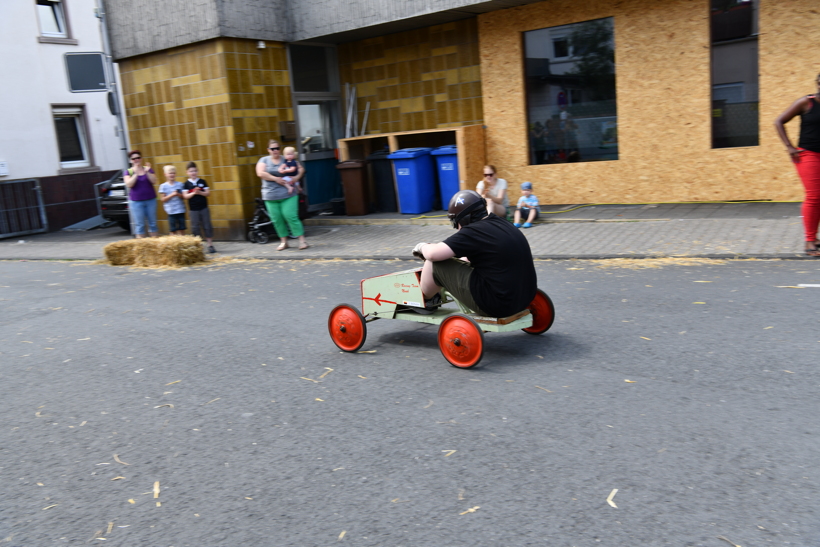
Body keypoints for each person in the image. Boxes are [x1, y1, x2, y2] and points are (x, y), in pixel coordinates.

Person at [411, 190, 537, 318]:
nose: (458, 229)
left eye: (456, 223)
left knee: (434, 264)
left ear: (465, 219)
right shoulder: (502, 223)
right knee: (464, 259)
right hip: (525, 297)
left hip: (497, 305)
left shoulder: (473, 231)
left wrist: (422, 246)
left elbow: (433, 254)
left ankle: (426, 300)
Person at [775, 73, 820, 257]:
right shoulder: (806, 103)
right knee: (814, 196)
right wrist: (789, 147)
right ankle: (809, 242)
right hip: (808, 155)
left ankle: (815, 239)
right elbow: (779, 121)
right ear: (818, 83)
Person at [255, 139, 308, 251]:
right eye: (272, 148)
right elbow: (260, 173)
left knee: (290, 216)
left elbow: (301, 169)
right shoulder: (264, 160)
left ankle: (302, 241)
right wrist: (276, 179)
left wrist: (295, 178)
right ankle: (284, 242)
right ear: (268, 150)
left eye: (277, 148)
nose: (275, 151)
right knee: (276, 219)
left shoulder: (287, 158)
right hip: (270, 195)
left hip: (288, 194)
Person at [123, 150, 158, 238]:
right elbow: (129, 184)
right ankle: (141, 249)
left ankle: (154, 246)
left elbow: (154, 181)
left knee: (153, 223)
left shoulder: (148, 169)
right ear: (131, 160)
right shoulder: (129, 172)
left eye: (138, 158)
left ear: (141, 159)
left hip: (150, 200)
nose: (136, 160)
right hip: (136, 202)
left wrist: (147, 172)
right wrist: (136, 174)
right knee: (140, 225)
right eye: (133, 158)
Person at [183, 161, 215, 253]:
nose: (193, 173)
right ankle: (198, 246)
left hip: (203, 208)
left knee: (207, 225)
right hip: (193, 209)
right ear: (187, 172)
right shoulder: (186, 184)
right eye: (191, 171)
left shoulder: (202, 182)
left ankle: (210, 245)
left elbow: (208, 193)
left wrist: (200, 192)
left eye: (194, 171)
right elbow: (185, 196)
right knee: (195, 227)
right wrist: (193, 192)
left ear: (197, 171)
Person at [159, 165, 186, 236]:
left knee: (182, 228)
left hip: (180, 210)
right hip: (171, 212)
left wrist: (178, 194)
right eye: (170, 173)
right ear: (165, 174)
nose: (172, 175)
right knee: (173, 230)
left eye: (173, 173)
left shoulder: (180, 184)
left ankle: (182, 243)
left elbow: (184, 196)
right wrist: (172, 195)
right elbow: (163, 199)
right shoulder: (163, 186)